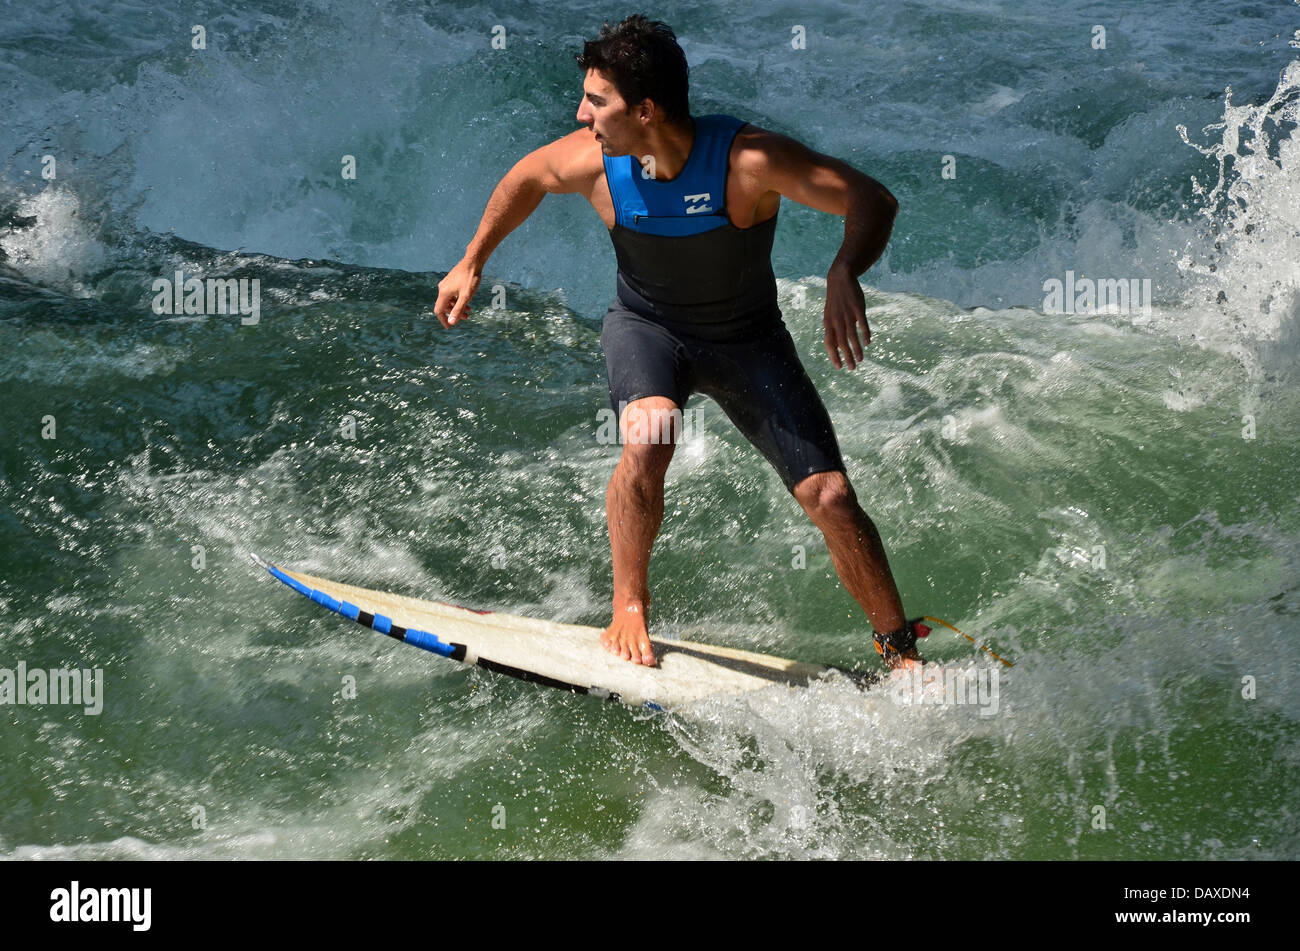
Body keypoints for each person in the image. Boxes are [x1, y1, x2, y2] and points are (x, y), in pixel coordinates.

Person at [434, 15, 929, 673]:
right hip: (648, 330)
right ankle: (629, 602)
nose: (582, 114)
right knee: (650, 434)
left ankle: (899, 651)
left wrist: (845, 270)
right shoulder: (596, 165)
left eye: (597, 101)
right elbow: (524, 179)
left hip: (748, 341)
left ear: (646, 109)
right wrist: (472, 261)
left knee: (832, 497)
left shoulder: (747, 161)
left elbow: (871, 198)